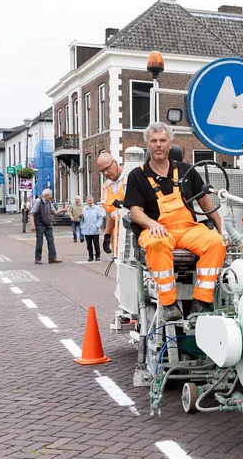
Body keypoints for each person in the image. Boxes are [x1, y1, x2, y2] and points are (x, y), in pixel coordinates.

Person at [124, 122, 226, 321]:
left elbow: (206, 204)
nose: (159, 145)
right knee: (156, 245)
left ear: (170, 144)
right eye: (154, 141)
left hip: (188, 229)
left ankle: (201, 302)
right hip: (158, 230)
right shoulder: (137, 175)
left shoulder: (187, 171)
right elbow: (135, 212)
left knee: (215, 243)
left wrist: (223, 232)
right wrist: (152, 224)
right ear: (147, 144)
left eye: (163, 140)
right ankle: (169, 305)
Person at [98, 152, 126, 260]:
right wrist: (107, 235)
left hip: (131, 238)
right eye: (102, 171)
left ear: (115, 163)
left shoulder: (129, 178)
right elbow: (110, 212)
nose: (105, 173)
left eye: (107, 168)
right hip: (117, 241)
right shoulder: (106, 186)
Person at [31, 188, 67, 264]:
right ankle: (37, 259)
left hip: (48, 224)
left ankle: (52, 258)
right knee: (39, 242)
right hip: (40, 225)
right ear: (46, 195)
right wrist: (33, 225)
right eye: (50, 195)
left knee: (51, 241)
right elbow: (32, 213)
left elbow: (54, 212)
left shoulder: (49, 202)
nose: (51, 196)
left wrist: (62, 210)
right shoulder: (38, 201)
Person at [80, 195, 105, 262]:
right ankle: (90, 256)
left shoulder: (97, 208)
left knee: (96, 244)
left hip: (95, 229)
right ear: (86, 201)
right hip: (87, 229)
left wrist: (97, 226)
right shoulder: (84, 208)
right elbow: (82, 218)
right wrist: (81, 217)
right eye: (88, 200)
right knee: (89, 245)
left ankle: (97, 256)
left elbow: (101, 217)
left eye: (90, 200)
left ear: (92, 201)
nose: (89, 202)